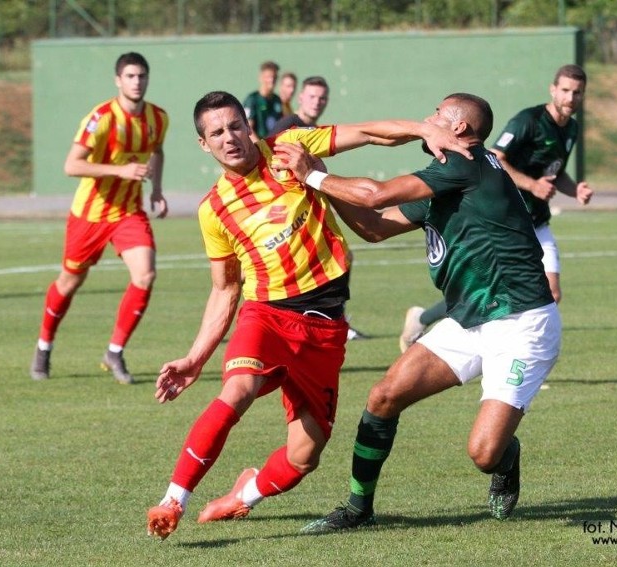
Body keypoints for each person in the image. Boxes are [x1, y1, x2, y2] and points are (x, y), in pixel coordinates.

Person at [145, 90, 469, 541]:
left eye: (234, 125)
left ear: (248, 125)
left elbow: (368, 133)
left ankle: (244, 495)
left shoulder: (290, 148)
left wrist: (423, 128)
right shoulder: (213, 210)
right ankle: (172, 499)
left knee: (304, 457)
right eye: (216, 133)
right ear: (204, 144)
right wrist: (195, 358)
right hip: (268, 316)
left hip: (326, 325)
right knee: (237, 390)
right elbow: (226, 289)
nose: (228, 137)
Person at [273, 92, 561, 533]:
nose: (428, 121)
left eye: (438, 116)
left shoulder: (462, 164)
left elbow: (374, 195)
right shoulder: (443, 180)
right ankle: (358, 509)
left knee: (484, 454)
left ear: (460, 130)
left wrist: (312, 175)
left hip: (521, 321)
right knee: (383, 396)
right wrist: (325, 180)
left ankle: (507, 455)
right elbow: (373, 226)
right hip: (470, 319)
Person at [399, 64, 591, 352]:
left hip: (536, 221)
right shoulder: (529, 121)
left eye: (577, 93)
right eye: (565, 90)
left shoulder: (572, 129)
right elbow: (496, 158)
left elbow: (555, 171)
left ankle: (518, 361)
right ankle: (425, 320)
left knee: (550, 292)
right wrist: (532, 185)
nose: (571, 98)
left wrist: (573, 189)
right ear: (553, 90)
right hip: (505, 223)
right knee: (484, 294)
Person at [29, 51, 168, 384]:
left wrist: (157, 191)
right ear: (118, 80)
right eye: (130, 76)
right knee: (70, 282)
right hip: (90, 214)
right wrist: (120, 171)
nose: (137, 82)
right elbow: (71, 165)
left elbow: (158, 151)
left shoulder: (158, 118)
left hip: (129, 213)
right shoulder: (103, 117)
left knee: (145, 274)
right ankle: (44, 347)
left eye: (142, 76)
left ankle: (115, 352)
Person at [267, 76, 368, 341]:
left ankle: (334, 319)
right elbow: (270, 167)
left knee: (341, 255)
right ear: (300, 98)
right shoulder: (288, 127)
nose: (317, 102)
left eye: (322, 97)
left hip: (311, 206)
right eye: (312, 96)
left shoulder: (312, 129)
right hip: (289, 213)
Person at [242, 60, 283, 140]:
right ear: (261, 78)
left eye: (274, 77)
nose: (272, 80)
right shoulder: (252, 99)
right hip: (258, 147)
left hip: (274, 146)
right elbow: (248, 129)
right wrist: (261, 148)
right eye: (268, 77)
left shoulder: (277, 100)